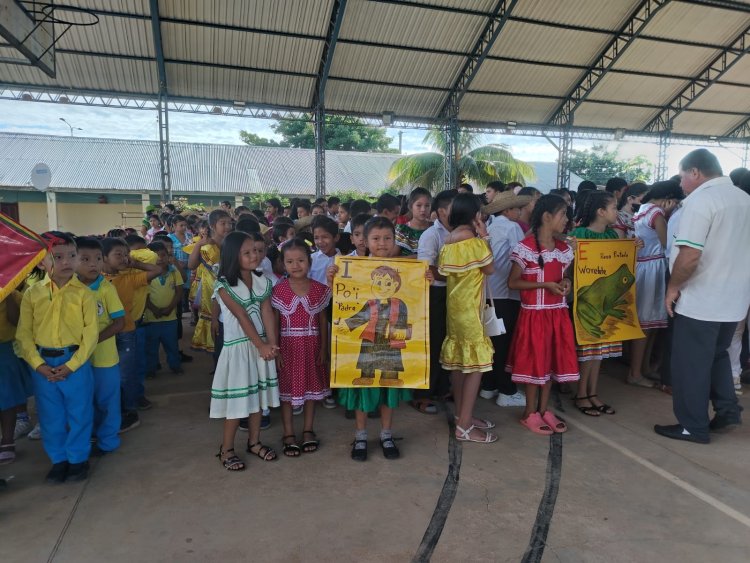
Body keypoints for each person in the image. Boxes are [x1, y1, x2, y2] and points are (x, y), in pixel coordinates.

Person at [656, 149, 750, 443]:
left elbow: (689, 256)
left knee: (690, 365)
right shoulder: (743, 199)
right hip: (734, 299)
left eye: (683, 176)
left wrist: (673, 288)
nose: (681, 183)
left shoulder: (701, 201)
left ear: (695, 172)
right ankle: (727, 411)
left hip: (702, 299)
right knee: (718, 356)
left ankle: (692, 426)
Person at [327, 217, 419, 461]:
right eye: (376, 238)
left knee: (389, 387)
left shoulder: (408, 271)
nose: (382, 243)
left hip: (391, 346)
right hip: (368, 344)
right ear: (364, 241)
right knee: (363, 387)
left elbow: (415, 310)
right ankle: (361, 436)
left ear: (395, 240)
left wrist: (425, 280)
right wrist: (332, 280)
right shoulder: (353, 269)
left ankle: (387, 434)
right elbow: (353, 312)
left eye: (387, 238)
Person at [16, 233, 99, 482]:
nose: (66, 262)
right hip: (43, 365)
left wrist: (72, 365)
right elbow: (24, 335)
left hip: (75, 364)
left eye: (71, 256)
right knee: (50, 416)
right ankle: (59, 460)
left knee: (80, 413)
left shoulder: (84, 294)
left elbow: (91, 335)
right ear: (42, 262)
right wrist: (38, 365)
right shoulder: (33, 294)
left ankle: (77, 459)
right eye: (58, 257)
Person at [506, 195, 578, 434]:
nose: (566, 220)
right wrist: (544, 286)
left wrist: (565, 282)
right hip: (534, 316)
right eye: (563, 215)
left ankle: (544, 409)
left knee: (549, 364)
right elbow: (513, 283)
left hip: (557, 314)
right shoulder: (525, 248)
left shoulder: (563, 249)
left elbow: (564, 275)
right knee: (535, 364)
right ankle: (529, 412)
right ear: (547, 217)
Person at [210, 231, 280, 470]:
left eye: (257, 251)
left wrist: (271, 345)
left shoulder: (262, 281)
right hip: (239, 351)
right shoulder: (223, 286)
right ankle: (226, 449)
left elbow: (267, 312)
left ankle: (254, 442)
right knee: (237, 404)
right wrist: (261, 346)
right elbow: (241, 316)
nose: (255, 256)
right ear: (232, 256)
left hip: (260, 350)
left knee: (259, 401)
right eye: (247, 252)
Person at [438, 193, 498, 444]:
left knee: (460, 364)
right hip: (471, 312)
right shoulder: (473, 240)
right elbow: (490, 268)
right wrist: (485, 237)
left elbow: (443, 273)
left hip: (455, 310)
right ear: (474, 214)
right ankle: (464, 426)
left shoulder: (449, 240)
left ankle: (464, 416)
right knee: (475, 367)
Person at [272, 239, 332, 456]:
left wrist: (324, 349)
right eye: (290, 261)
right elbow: (276, 323)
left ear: (310, 261)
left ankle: (308, 430)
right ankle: (288, 432)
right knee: (288, 393)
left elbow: (323, 321)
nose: (296, 265)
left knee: (311, 392)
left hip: (312, 346)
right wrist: (276, 350)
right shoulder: (278, 290)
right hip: (288, 347)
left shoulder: (320, 289)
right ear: (282, 264)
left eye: (301, 260)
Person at [569, 191, 623, 414]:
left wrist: (631, 250)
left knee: (599, 350)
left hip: (604, 301)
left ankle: (592, 392)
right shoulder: (578, 235)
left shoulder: (613, 237)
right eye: (614, 208)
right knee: (587, 349)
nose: (616, 212)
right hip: (585, 300)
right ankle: (582, 393)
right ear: (601, 212)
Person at [102, 237, 162, 432]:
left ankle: (129, 411)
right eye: (117, 254)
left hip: (126, 332)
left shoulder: (129, 277)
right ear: (104, 258)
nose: (123, 258)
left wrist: (135, 263)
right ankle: (114, 410)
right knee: (108, 375)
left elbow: (157, 270)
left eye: (125, 254)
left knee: (126, 375)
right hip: (104, 335)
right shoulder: (97, 280)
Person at [479, 190, 532, 408]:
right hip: (506, 294)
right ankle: (506, 391)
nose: (520, 212)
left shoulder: (491, 227)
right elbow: (523, 257)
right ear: (508, 210)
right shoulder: (512, 228)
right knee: (504, 345)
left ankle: (488, 386)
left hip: (489, 293)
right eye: (517, 208)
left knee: (494, 343)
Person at [629, 181, 683, 387]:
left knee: (650, 323)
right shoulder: (656, 214)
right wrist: (668, 216)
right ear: (668, 199)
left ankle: (643, 368)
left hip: (644, 267)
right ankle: (636, 373)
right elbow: (666, 243)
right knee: (646, 324)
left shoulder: (642, 209)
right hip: (653, 267)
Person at [76, 237, 125, 454]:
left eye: (97, 259)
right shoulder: (70, 289)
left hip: (104, 358)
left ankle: (108, 441)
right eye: (85, 259)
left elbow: (119, 323)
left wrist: (92, 341)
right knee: (84, 401)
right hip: (78, 359)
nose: (93, 264)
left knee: (107, 401)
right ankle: (89, 437)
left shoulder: (106, 288)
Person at [417, 190, 456, 409]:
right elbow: (426, 267)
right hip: (435, 294)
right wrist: (457, 275)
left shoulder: (463, 233)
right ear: (441, 212)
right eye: (454, 209)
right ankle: (422, 395)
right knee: (431, 344)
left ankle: (441, 388)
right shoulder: (431, 235)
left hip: (455, 294)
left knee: (446, 342)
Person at [188, 209, 232, 353]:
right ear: (213, 225)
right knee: (214, 318)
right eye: (223, 223)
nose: (227, 226)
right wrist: (199, 245)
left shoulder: (232, 243)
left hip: (229, 286)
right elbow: (191, 265)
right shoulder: (205, 246)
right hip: (210, 287)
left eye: (229, 223)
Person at [144, 241, 184, 377]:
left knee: (172, 344)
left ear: (168, 257)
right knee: (151, 347)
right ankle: (151, 369)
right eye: (156, 256)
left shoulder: (174, 272)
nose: (160, 259)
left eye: (163, 255)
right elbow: (143, 296)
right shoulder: (146, 275)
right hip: (151, 318)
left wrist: (170, 308)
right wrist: (154, 309)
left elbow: (179, 292)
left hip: (170, 317)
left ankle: (175, 365)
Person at [0, 290, 29, 464]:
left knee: (7, 395)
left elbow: (16, 320)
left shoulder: (10, 292)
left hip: (3, 348)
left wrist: (8, 292)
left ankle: (7, 439)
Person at [395, 187, 432, 256]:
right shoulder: (402, 230)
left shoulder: (434, 228)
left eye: (427, 205)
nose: (423, 209)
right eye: (419, 205)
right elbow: (394, 259)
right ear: (410, 207)